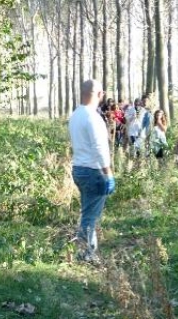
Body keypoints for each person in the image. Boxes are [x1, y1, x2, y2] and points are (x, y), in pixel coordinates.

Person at [68, 79, 116, 263]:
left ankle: (87, 250)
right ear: (97, 94)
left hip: (79, 169)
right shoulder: (92, 117)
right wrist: (108, 173)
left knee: (88, 211)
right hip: (93, 171)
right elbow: (99, 148)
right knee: (90, 216)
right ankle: (87, 254)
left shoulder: (75, 115)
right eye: (102, 93)